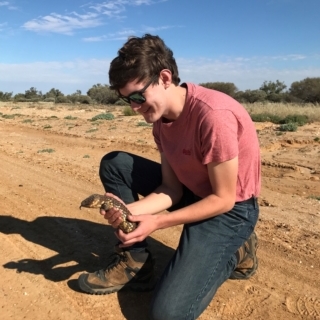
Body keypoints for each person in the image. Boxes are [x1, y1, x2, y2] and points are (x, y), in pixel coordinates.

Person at [78, 34, 261, 320]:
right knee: (115, 163)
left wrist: (158, 222)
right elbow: (171, 189)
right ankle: (135, 261)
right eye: (127, 100)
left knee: (167, 314)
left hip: (230, 211)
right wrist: (128, 211)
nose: (135, 108)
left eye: (138, 97)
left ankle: (235, 252)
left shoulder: (214, 116)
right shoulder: (161, 123)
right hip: (193, 192)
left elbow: (223, 199)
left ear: (165, 78)